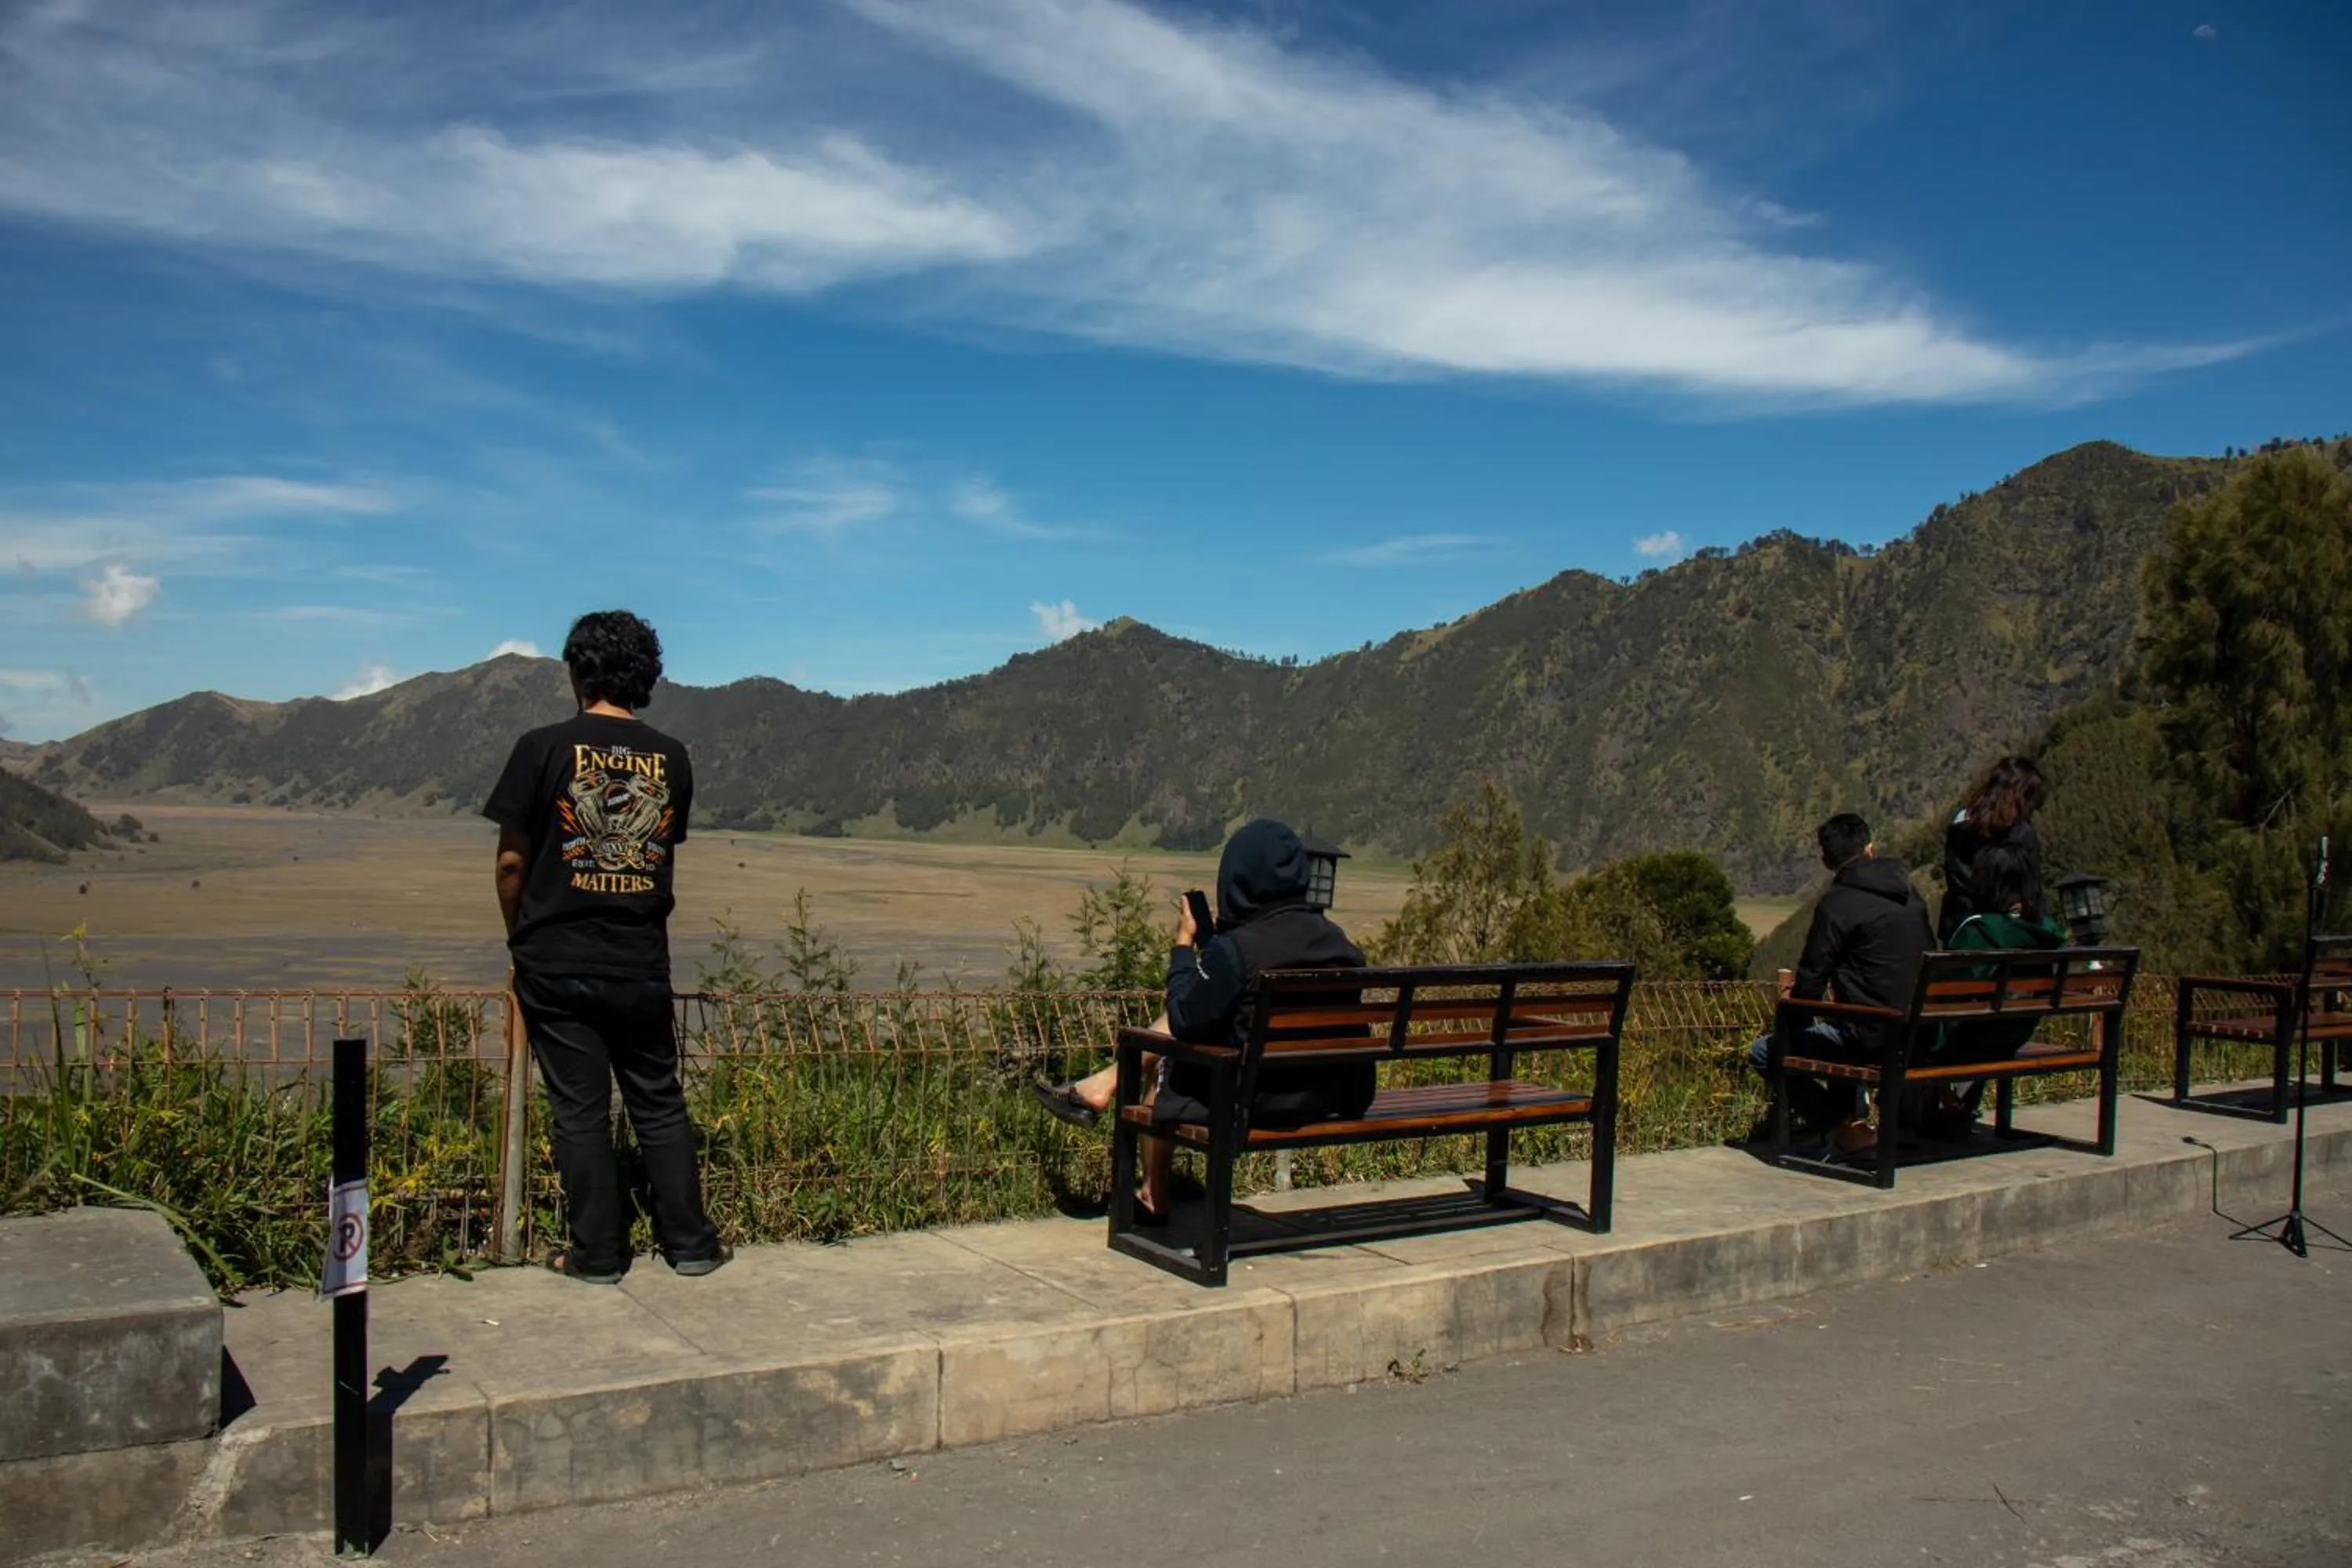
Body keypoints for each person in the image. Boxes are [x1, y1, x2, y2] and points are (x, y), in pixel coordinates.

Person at [484, 610, 728, 1283]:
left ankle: (596, 1253)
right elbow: (653, 850)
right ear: (645, 676)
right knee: (658, 1099)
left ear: (577, 671)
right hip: (639, 958)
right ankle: (691, 1244)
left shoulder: (541, 747)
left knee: (579, 1111)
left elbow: (511, 864)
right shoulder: (671, 757)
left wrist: (521, 941)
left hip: (556, 959)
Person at [1033, 818, 1370, 1219]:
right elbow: (1237, 979)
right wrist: (1218, 951)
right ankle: (1104, 1085)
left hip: (1255, 1102)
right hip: (1330, 1096)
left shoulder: (1239, 950)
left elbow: (1184, 1015)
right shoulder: (1339, 942)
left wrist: (1184, 944)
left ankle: (1150, 1190)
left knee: (1163, 1070)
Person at [1748, 812, 1934, 1160]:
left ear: (1826, 860)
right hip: (1919, 1034)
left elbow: (1811, 980)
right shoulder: (1912, 896)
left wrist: (1793, 1029)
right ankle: (1884, 1126)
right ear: (1870, 848)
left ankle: (1846, 1129)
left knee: (1764, 1052)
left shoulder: (1838, 904)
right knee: (1843, 1029)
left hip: (1870, 1038)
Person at [1915, 843, 2069, 1140]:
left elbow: (1945, 997)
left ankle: (1924, 1118)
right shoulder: (2047, 932)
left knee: (1922, 1037)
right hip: (2014, 1032)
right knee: (1983, 1028)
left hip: (1969, 1039)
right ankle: (1954, 1112)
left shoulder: (1978, 931)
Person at [1939, 756, 2045, 942]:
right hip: (2008, 929)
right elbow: (2032, 886)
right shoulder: (2022, 834)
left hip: (1966, 926)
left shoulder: (1962, 824)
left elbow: (1958, 881)